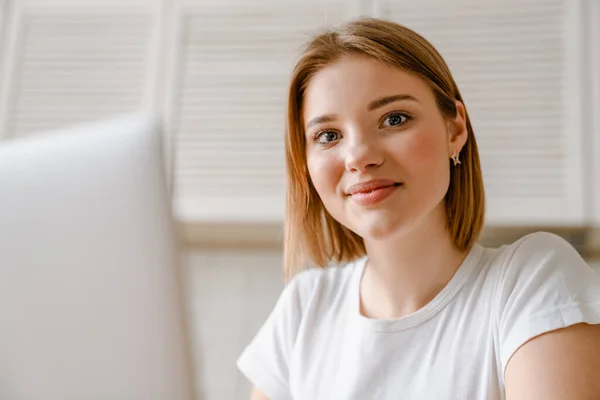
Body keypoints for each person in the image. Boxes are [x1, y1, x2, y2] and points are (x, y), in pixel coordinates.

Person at [237, 18, 600, 399]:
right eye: (328, 136)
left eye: (394, 119)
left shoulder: (531, 282)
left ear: (455, 130)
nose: (359, 156)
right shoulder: (304, 308)